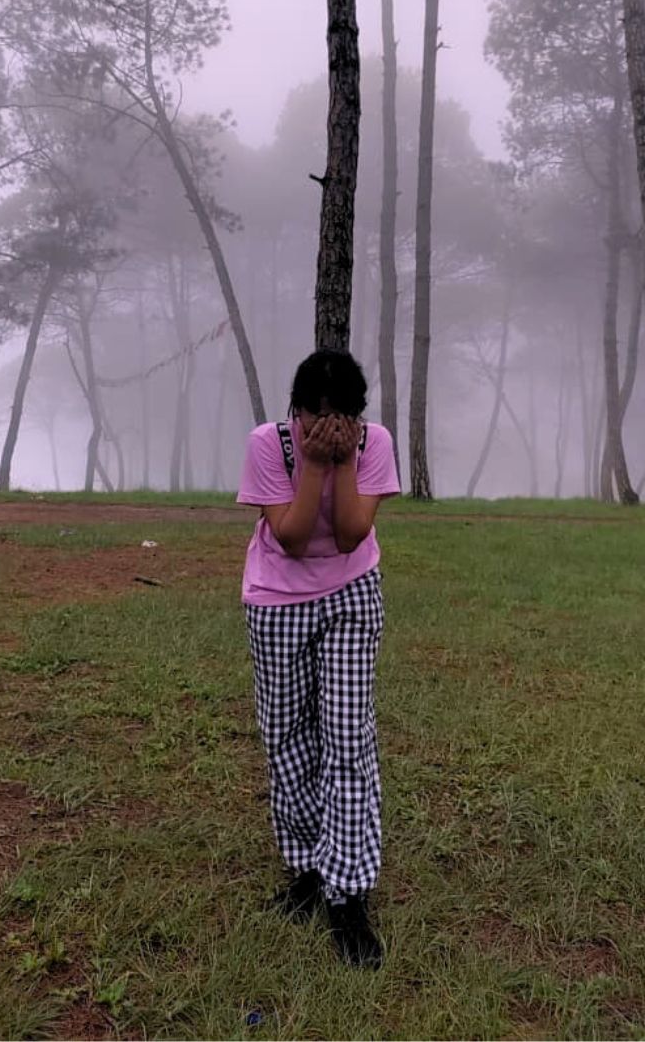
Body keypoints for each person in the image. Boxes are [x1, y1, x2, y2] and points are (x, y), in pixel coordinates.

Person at [236, 348, 401, 968]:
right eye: (312, 419)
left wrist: (347, 460)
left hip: (353, 595)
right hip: (277, 599)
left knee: (346, 735)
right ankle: (307, 868)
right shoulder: (268, 444)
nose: (326, 430)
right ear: (293, 411)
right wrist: (310, 462)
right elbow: (295, 538)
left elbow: (354, 532)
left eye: (341, 421)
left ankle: (348, 892)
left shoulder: (375, 442)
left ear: (359, 418)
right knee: (287, 738)